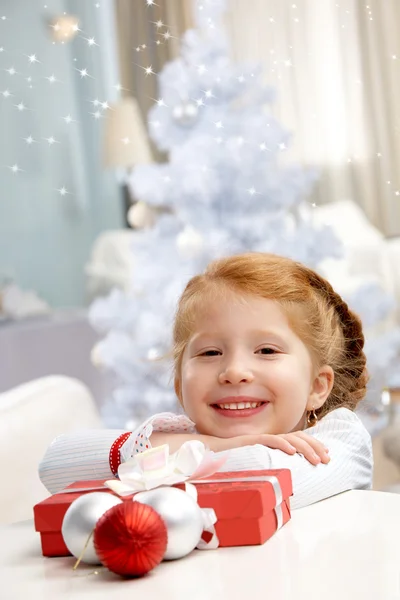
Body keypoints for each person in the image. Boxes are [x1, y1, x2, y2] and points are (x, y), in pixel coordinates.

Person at [39, 253, 373, 509]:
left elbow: (260, 471)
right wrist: (221, 445)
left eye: (267, 349)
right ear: (180, 385)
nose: (234, 371)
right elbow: (56, 464)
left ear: (317, 386)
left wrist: (162, 453)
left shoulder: (341, 439)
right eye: (210, 352)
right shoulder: (192, 436)